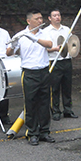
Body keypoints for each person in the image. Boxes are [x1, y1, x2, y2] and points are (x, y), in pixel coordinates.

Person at [7, 9, 55, 145]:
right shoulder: (21, 35)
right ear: (29, 21)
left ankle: (44, 132)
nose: (40, 21)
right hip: (29, 73)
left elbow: (49, 45)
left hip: (44, 71)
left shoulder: (44, 33)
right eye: (36, 19)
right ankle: (32, 133)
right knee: (30, 103)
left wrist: (35, 39)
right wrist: (13, 44)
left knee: (45, 103)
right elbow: (8, 53)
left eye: (41, 18)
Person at [42, 7, 78, 120]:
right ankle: (55, 111)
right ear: (49, 18)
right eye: (54, 15)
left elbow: (72, 43)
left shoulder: (66, 29)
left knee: (67, 87)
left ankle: (68, 110)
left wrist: (73, 48)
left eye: (58, 15)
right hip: (54, 61)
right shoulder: (45, 32)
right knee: (54, 88)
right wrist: (55, 49)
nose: (57, 17)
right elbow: (43, 49)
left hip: (66, 61)